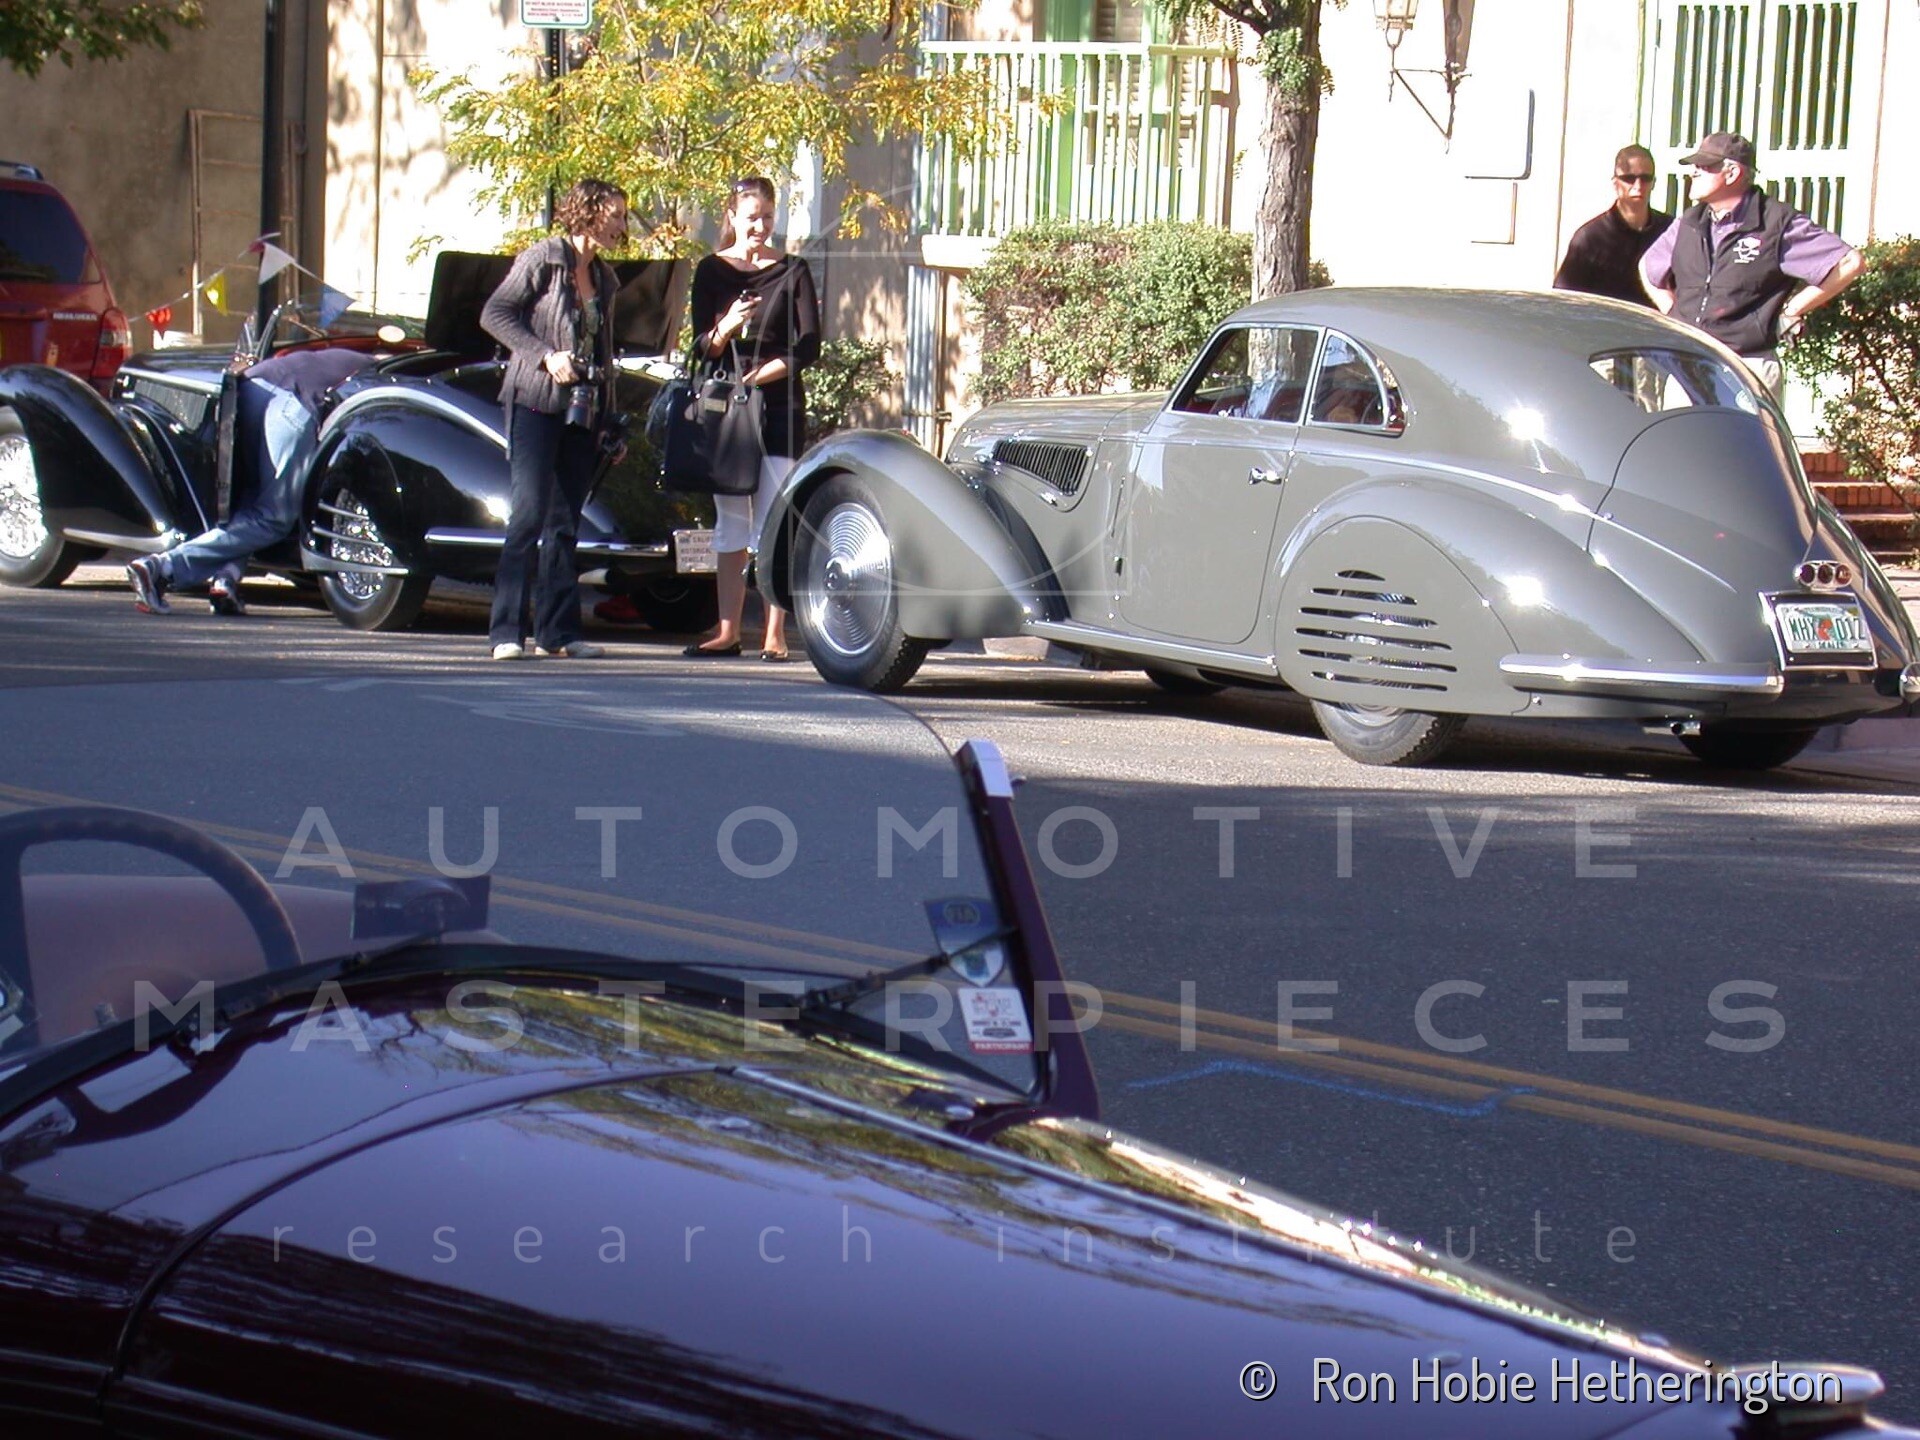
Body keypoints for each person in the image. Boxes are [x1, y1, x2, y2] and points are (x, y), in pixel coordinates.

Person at [478, 177, 628, 660]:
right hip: (535, 401)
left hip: (582, 409)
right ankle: (506, 631)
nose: (622, 225)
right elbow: (495, 314)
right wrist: (544, 355)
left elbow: (603, 350)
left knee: (565, 523)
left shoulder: (604, 278)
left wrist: (610, 422)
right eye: (616, 215)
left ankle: (557, 634)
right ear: (590, 212)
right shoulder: (543, 258)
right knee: (528, 515)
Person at [681, 177, 821, 662]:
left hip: (779, 406)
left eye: (767, 217)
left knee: (772, 518)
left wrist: (762, 376)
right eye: (751, 217)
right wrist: (727, 326)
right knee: (731, 520)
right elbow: (702, 346)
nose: (760, 226)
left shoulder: (793, 270)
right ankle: (727, 632)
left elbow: (809, 346)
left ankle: (774, 633)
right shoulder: (711, 270)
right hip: (727, 411)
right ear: (732, 218)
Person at [125, 346, 376, 615]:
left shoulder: (338, 355)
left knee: (251, 502)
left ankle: (226, 580)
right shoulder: (381, 371)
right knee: (274, 518)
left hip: (250, 391)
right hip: (293, 406)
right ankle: (163, 567)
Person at [1638, 132, 1864, 402]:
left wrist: (1793, 309)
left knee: (1745, 434)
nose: (1693, 172)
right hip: (1689, 363)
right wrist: (1672, 312)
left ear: (1732, 173)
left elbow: (1850, 262)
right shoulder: (1690, 222)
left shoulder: (1776, 223)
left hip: (1748, 367)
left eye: (1705, 166)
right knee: (1679, 433)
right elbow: (1648, 267)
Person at [1552, 144, 1672, 305]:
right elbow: (1565, 298)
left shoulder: (1669, 231)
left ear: (1654, 183)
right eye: (1629, 179)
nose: (1638, 186)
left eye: (1645, 178)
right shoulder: (1590, 237)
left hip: (1654, 320)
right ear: (1615, 183)